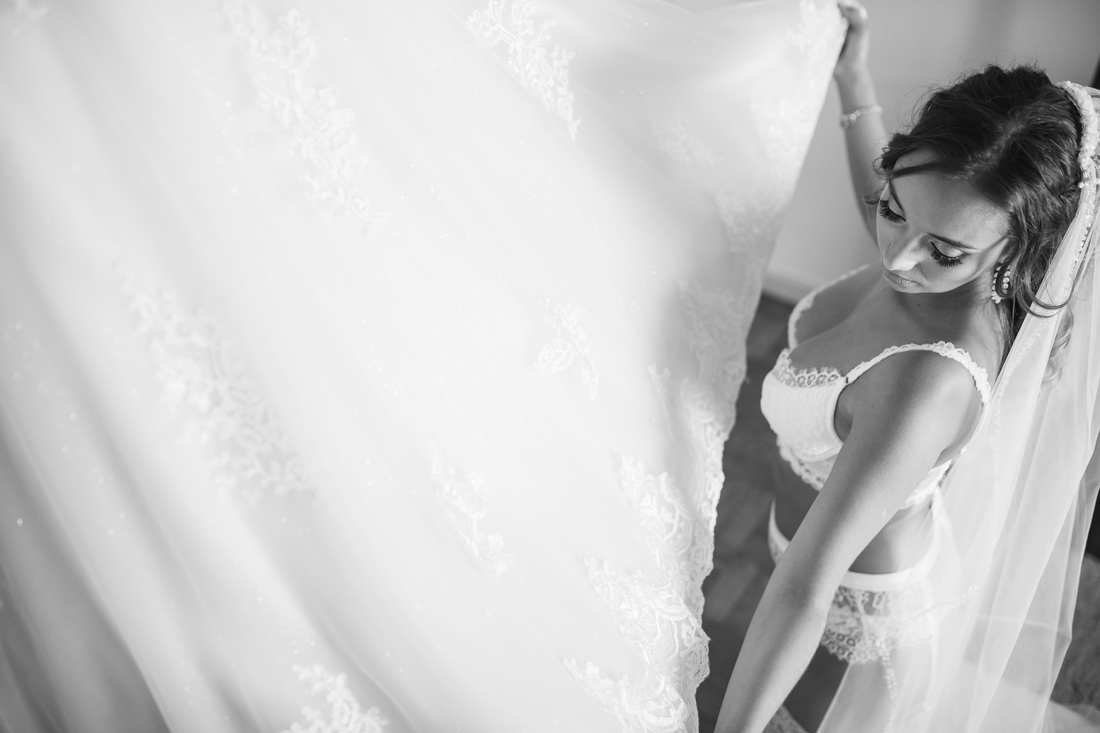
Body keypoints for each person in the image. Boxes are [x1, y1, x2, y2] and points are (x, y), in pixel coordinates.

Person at [713, 2, 1100, 732]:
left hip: (852, 620)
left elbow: (806, 586)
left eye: (945, 252)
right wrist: (854, 78)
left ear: (1017, 250)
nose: (896, 257)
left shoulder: (926, 384)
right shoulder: (929, 255)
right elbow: (908, 217)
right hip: (811, 552)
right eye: (892, 210)